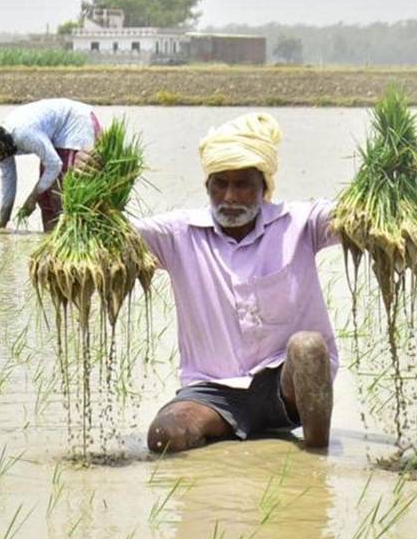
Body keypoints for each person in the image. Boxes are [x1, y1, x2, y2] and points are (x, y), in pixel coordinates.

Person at [84, 112, 336, 453]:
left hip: (286, 386)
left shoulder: (301, 223)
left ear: (264, 188)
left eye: (242, 183)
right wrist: (89, 192)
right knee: (163, 437)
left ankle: (316, 458)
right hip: (214, 391)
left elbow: (359, 217)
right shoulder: (177, 234)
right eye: (220, 183)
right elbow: (106, 240)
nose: (230, 196)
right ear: (207, 186)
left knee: (308, 347)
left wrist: (395, 177)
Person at [0, 98, 102, 231]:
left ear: (4, 146)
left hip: (73, 124)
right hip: (55, 135)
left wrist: (32, 197)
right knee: (45, 197)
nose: (0, 161)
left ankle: (68, 234)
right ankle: (50, 239)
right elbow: (9, 182)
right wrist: (2, 224)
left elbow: (55, 164)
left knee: (61, 191)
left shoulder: (23, 134)